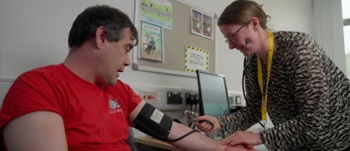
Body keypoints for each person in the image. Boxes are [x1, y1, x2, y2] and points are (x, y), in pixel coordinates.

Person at [0, 5, 256, 151]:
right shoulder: (38, 86)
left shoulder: (119, 91)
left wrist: (223, 149)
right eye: (126, 49)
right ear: (101, 37)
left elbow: (169, 128)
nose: (126, 61)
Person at [195, 0, 350, 150]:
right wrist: (219, 122)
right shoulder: (252, 63)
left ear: (254, 24)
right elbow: (254, 112)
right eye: (227, 40)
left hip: (337, 139)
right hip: (301, 143)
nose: (230, 46)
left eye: (232, 36)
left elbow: (314, 119)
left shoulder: (299, 49)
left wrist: (258, 137)